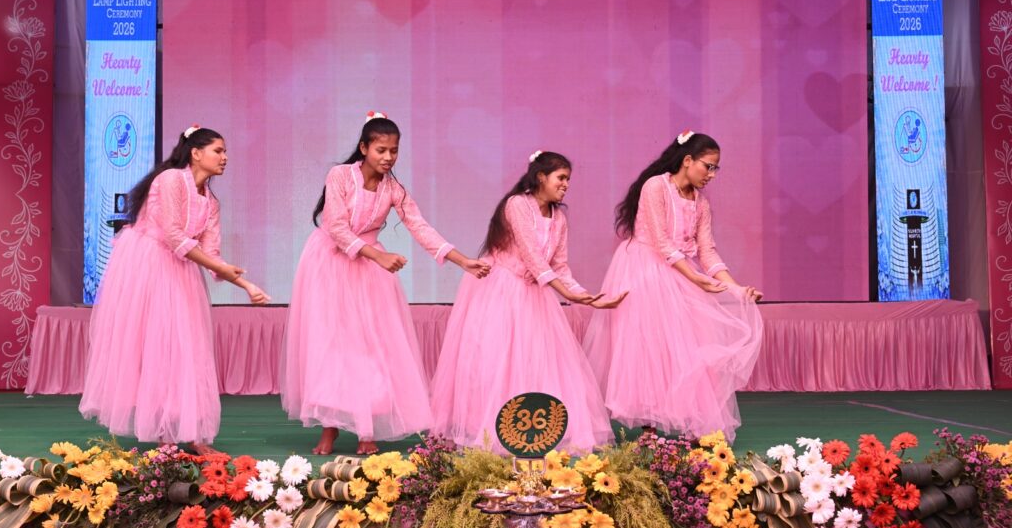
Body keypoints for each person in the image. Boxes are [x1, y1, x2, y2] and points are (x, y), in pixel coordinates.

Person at [282, 113, 490, 455]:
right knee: (332, 347)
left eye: (394, 151)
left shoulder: (393, 189)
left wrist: (462, 260)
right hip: (329, 264)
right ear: (364, 148)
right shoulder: (340, 175)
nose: (388, 157)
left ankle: (367, 429)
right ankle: (330, 428)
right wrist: (377, 257)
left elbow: (420, 228)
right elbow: (336, 227)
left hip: (368, 270)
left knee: (371, 348)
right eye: (381, 149)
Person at [81, 125, 270, 453]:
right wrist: (227, 272)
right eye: (218, 151)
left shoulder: (210, 202)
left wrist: (245, 284)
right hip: (150, 267)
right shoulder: (171, 180)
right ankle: (165, 435)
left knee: (189, 350)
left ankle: (194, 435)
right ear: (196, 153)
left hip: (181, 271)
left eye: (225, 152)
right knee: (160, 348)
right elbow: (172, 235)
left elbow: (211, 255)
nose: (225, 158)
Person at [431, 150, 623, 453]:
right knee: (498, 362)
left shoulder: (558, 218)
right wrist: (567, 294)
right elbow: (532, 256)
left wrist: (585, 296)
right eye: (561, 178)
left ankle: (534, 431)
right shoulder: (517, 204)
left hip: (536, 293)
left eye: (568, 179)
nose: (566, 185)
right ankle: (490, 432)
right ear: (541, 177)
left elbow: (559, 266)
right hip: (502, 290)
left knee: (538, 362)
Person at [584, 130, 763, 442]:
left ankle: (694, 425)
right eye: (708, 166)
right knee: (647, 347)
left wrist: (737, 289)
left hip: (679, 272)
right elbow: (661, 242)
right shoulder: (656, 186)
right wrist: (694, 277)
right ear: (688, 160)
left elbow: (707, 252)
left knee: (691, 348)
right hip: (644, 271)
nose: (712, 174)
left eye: (716, 168)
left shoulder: (701, 203)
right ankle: (649, 428)